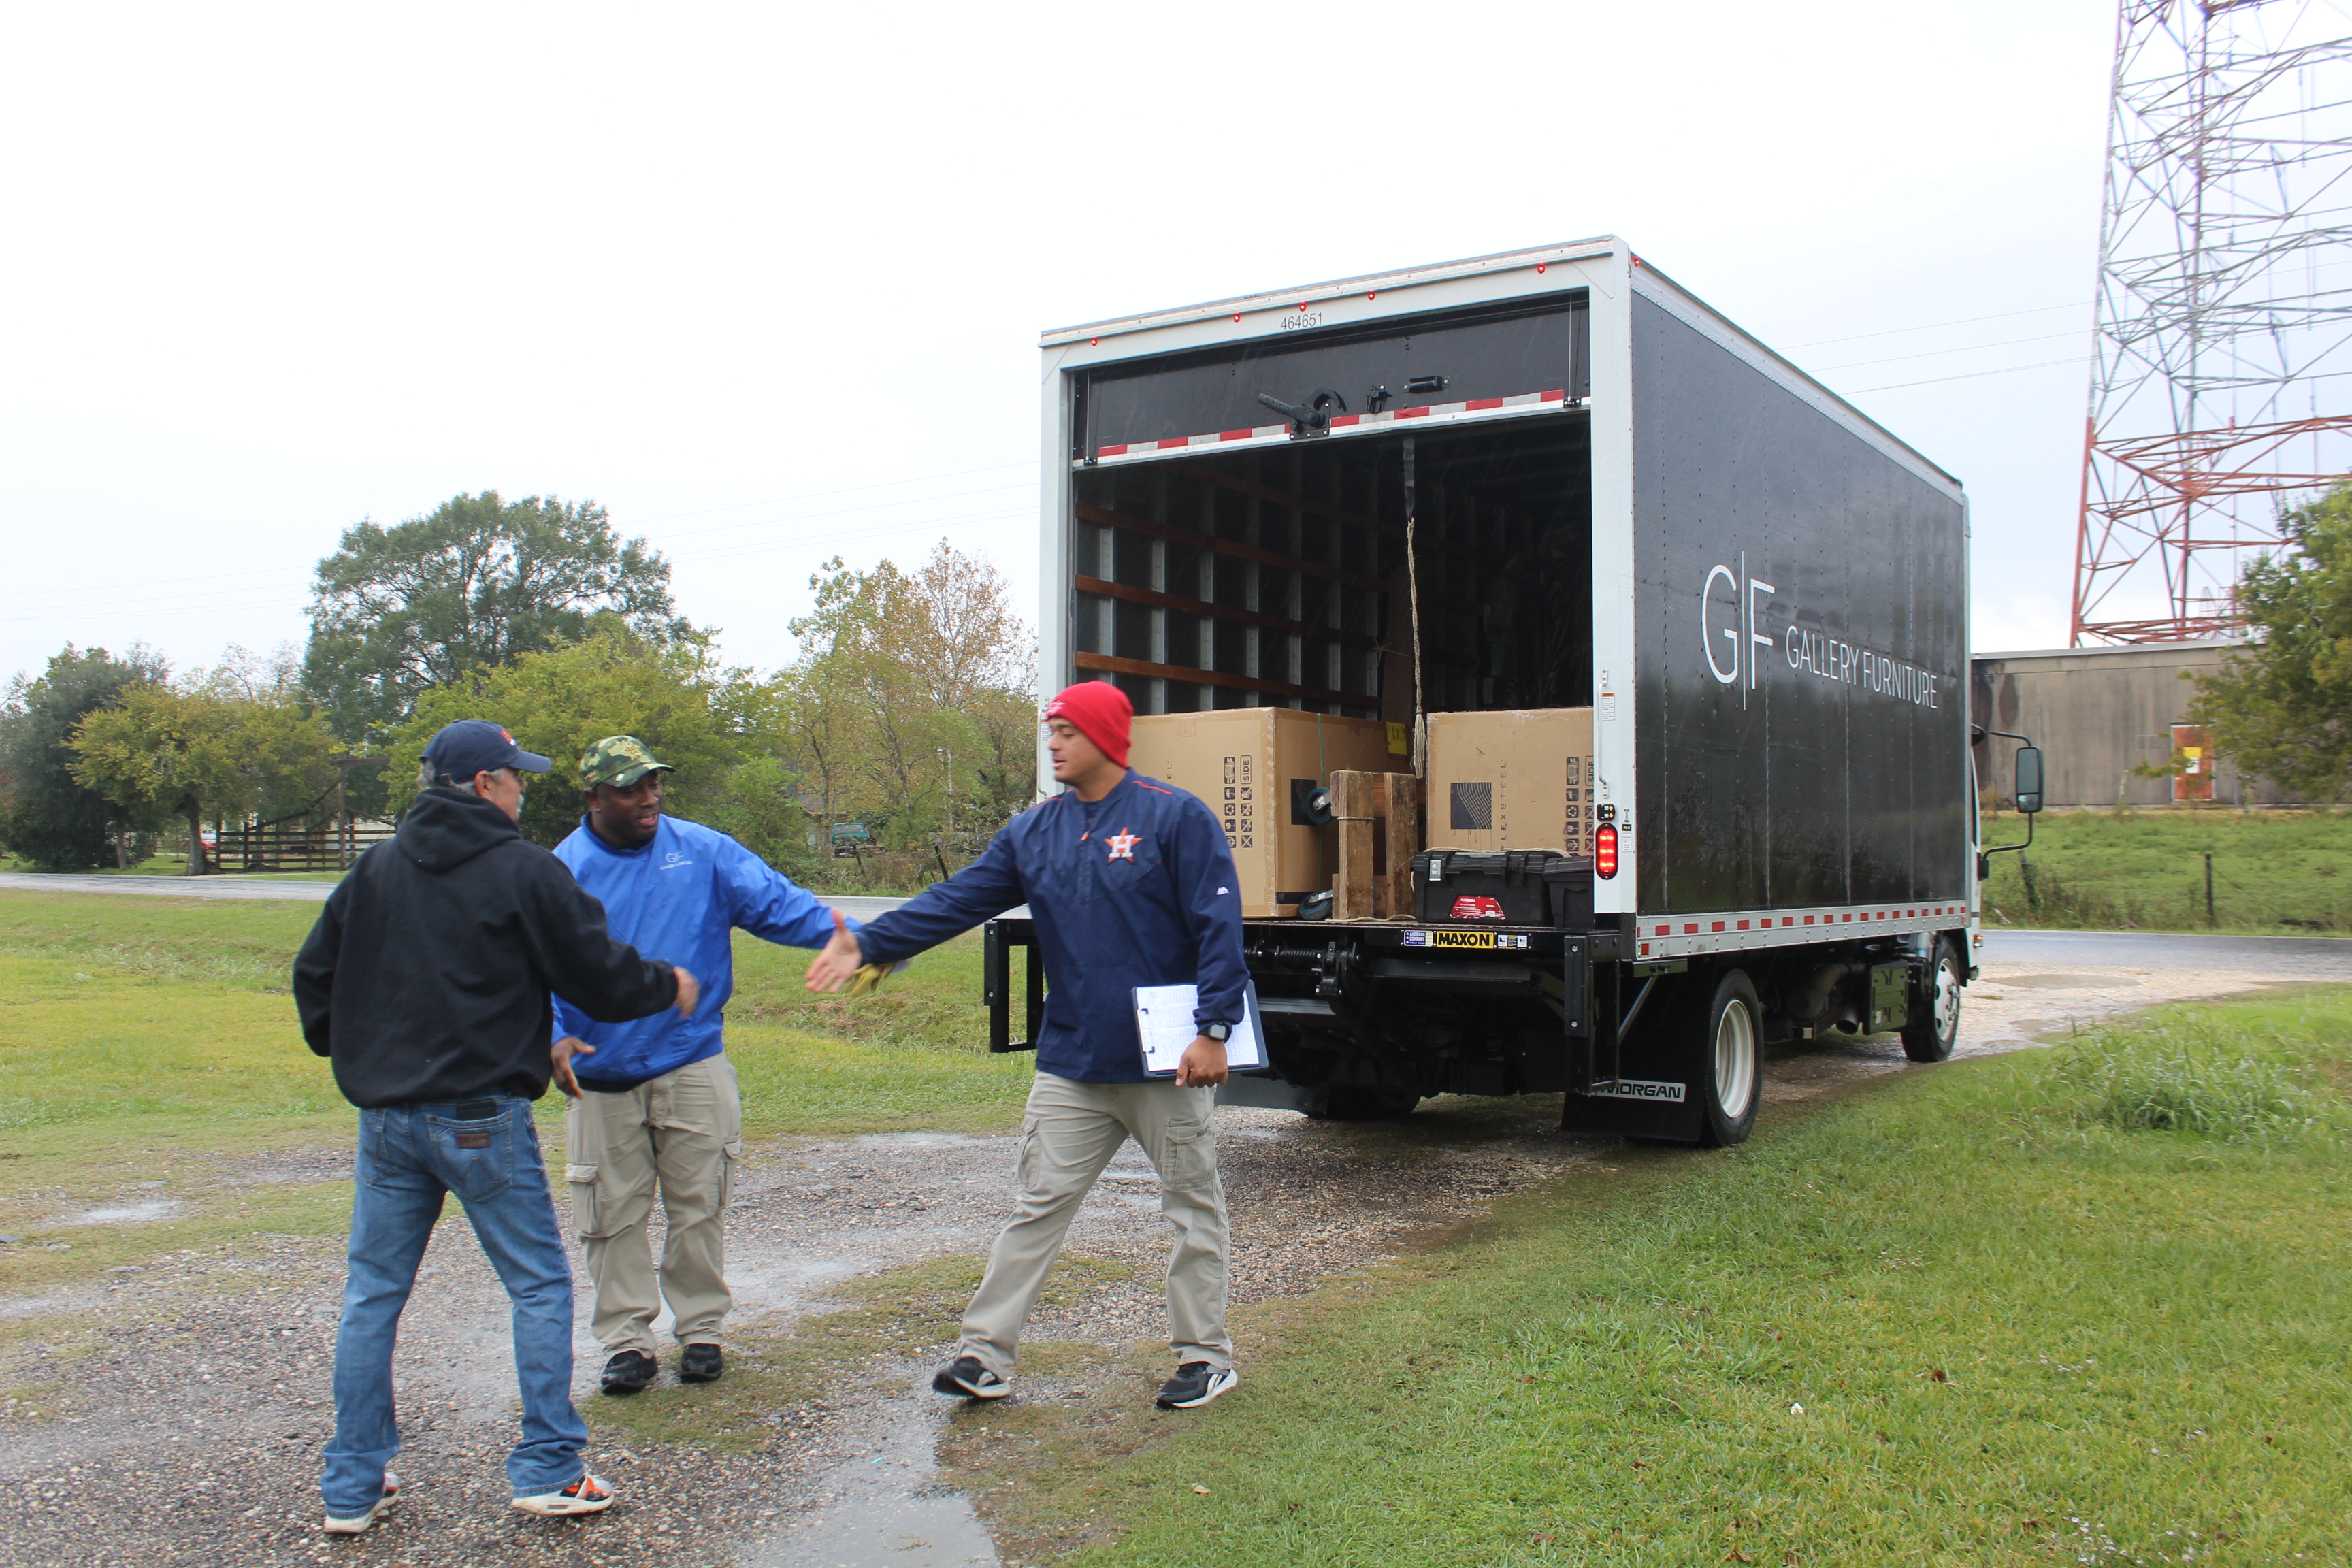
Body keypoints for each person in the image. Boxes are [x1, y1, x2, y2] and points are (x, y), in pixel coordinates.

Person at [293, 719, 701, 1535]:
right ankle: (549, 1467)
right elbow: (597, 972)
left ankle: (352, 1484)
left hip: (387, 1122)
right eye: (516, 776)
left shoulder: (375, 868)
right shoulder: (524, 870)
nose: (523, 788)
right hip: (480, 1116)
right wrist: (669, 985)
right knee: (539, 1286)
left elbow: (316, 978)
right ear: (484, 784)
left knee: (372, 1295)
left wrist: (364, 1051)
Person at [806, 681, 1246, 1411]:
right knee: (1037, 1205)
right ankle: (984, 1356)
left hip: (1165, 1065)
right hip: (1072, 1061)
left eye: (1067, 731)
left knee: (1192, 1206)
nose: (1054, 743)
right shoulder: (1032, 833)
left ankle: (1206, 1357)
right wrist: (872, 944)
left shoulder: (1174, 817)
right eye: (1051, 731)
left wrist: (1214, 1029)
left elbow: (1218, 926)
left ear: (1105, 735)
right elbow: (957, 900)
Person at [549, 735, 851, 1395]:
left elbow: (779, 904)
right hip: (600, 1070)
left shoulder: (703, 851)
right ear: (595, 797)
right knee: (610, 1212)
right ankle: (628, 1341)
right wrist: (551, 1035)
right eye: (631, 788)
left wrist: (857, 937)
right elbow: (532, 967)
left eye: (654, 782)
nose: (650, 797)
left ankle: (702, 1330)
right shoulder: (561, 871)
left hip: (692, 1060)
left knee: (699, 1203)